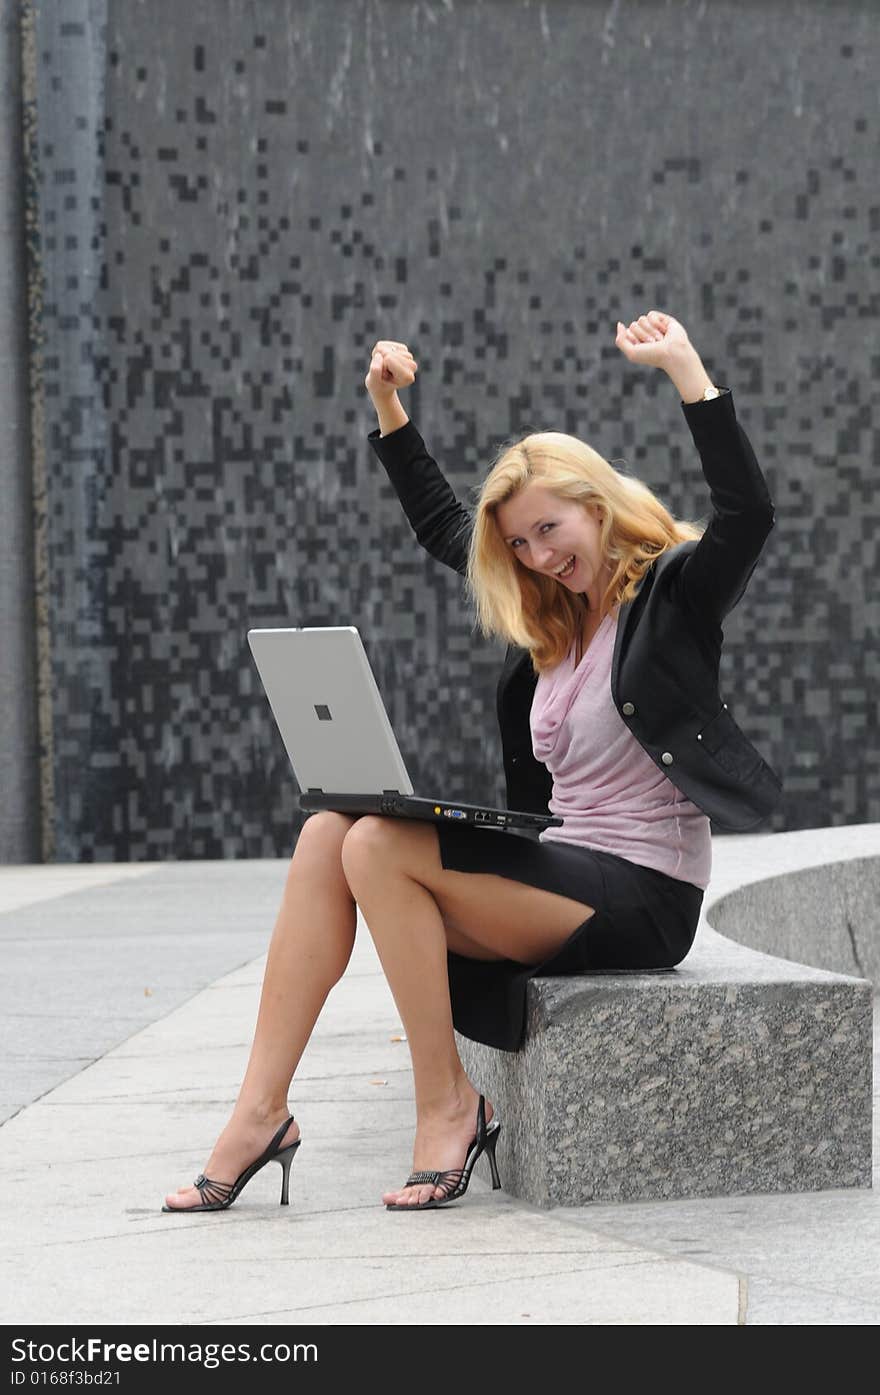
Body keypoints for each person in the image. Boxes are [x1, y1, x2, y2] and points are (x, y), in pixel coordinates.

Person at [163, 310, 781, 1214]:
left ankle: (448, 1106)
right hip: (567, 866)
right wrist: (387, 405)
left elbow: (748, 512)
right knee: (332, 829)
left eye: (548, 529)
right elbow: (445, 526)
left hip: (646, 891)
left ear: (595, 502)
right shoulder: (547, 617)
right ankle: (260, 1111)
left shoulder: (671, 596)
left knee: (379, 846)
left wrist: (688, 368)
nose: (538, 556)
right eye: (522, 544)